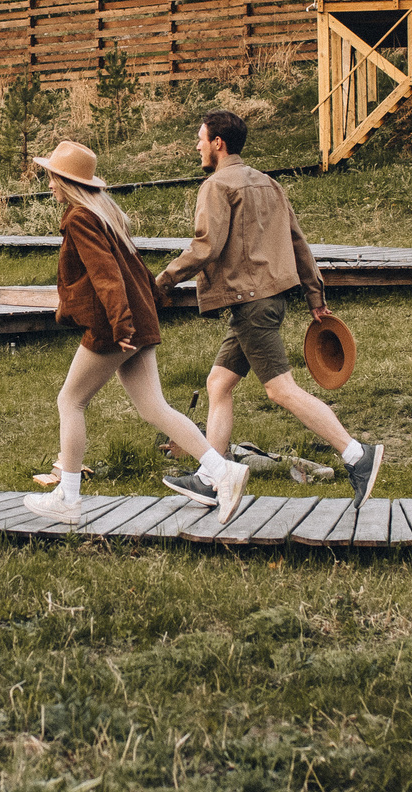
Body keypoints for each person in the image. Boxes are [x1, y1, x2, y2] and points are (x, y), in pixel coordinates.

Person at [154, 108, 383, 503]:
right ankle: (214, 475)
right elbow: (299, 243)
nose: (197, 145)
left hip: (251, 302)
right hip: (267, 299)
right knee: (218, 383)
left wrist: (162, 280)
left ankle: (357, 454)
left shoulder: (217, 186)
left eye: (200, 138)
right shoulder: (268, 184)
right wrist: (315, 296)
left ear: (218, 143)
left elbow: (207, 246)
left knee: (281, 390)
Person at [22, 140, 252, 526]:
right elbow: (132, 271)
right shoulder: (106, 215)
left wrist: (121, 324)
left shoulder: (81, 217)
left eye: (52, 178)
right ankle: (220, 469)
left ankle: (69, 496)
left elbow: (106, 275)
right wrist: (141, 316)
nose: (49, 185)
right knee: (153, 406)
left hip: (115, 326)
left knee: (71, 401)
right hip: (135, 321)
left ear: (66, 181)